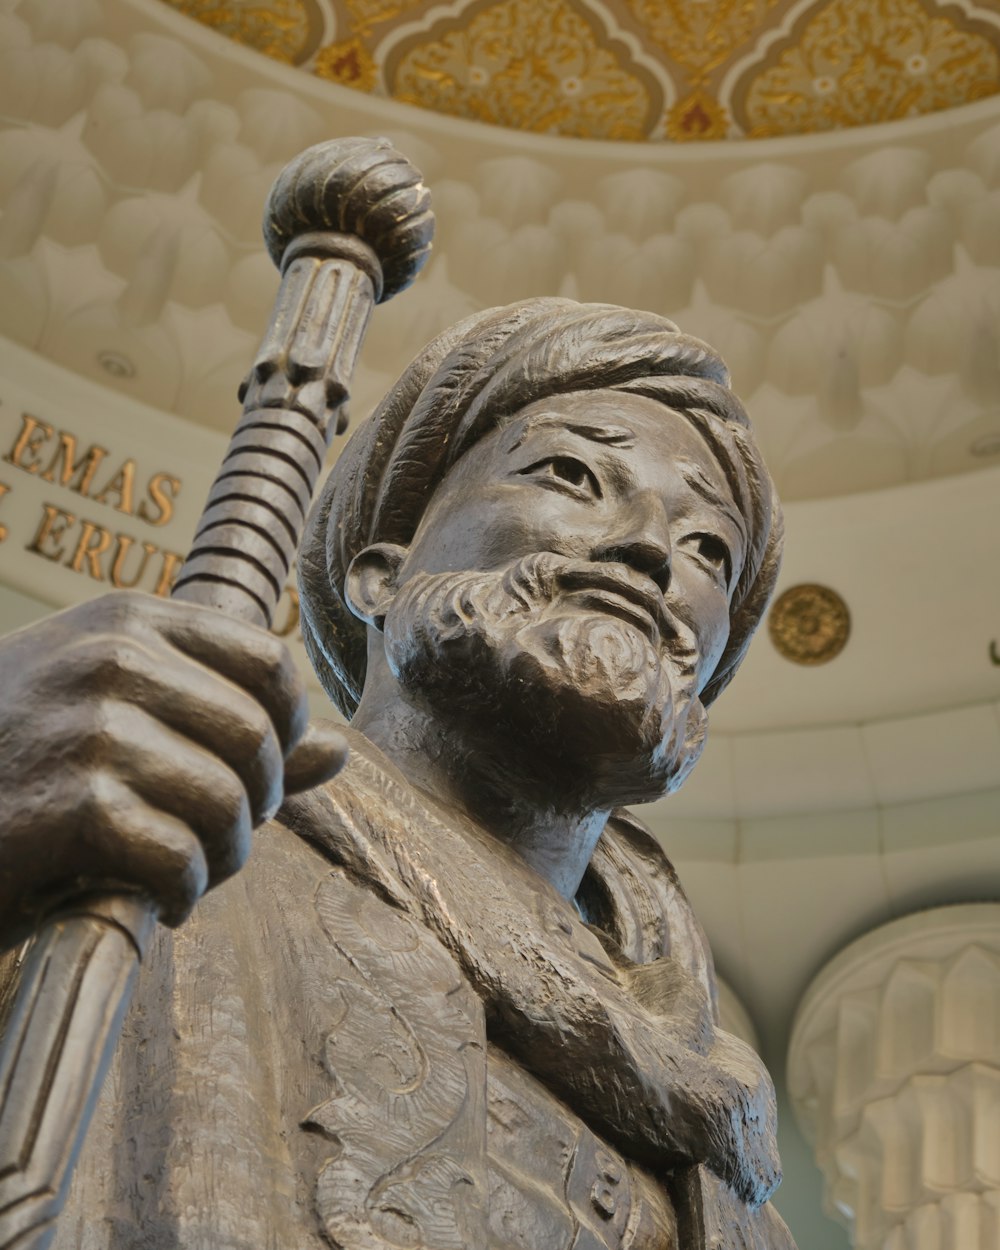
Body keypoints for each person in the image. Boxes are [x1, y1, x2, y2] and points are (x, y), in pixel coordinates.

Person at [0, 299, 795, 1249]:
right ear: (381, 573)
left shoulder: (722, 1144)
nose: (651, 551)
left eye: (710, 549)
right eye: (574, 474)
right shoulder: (164, 838)